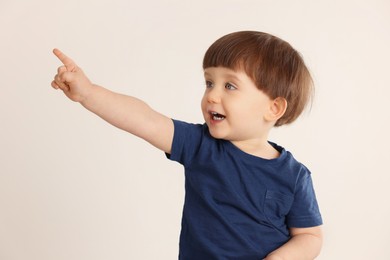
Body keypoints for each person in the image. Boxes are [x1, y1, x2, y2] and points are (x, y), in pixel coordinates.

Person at [51, 31, 323, 260]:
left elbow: (309, 235)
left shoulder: (294, 175)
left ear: (273, 107)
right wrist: (88, 93)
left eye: (230, 85)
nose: (212, 95)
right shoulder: (201, 146)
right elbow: (146, 120)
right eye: (209, 82)